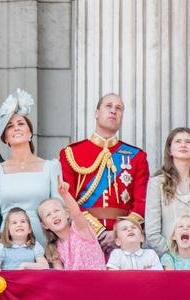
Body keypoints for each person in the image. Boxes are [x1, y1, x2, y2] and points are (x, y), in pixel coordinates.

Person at [59, 93, 149, 254]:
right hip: (84, 236)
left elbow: (141, 202)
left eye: (119, 108)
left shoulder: (137, 156)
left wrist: (118, 233)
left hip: (124, 241)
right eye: (108, 106)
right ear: (96, 113)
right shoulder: (71, 153)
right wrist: (98, 231)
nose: (114, 111)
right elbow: (69, 198)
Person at [0, 88, 61, 247]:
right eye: (10, 126)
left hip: (44, 244)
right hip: (8, 244)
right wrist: (2, 246)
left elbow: (59, 208)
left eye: (21, 123)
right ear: (6, 137)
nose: (16, 128)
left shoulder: (51, 167)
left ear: (30, 133)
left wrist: (54, 248)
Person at [145, 128, 190, 256]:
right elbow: (151, 232)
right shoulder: (156, 184)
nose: (183, 145)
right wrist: (173, 256)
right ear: (170, 150)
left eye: (188, 142)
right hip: (166, 260)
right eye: (178, 141)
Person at [37, 176, 106, 270]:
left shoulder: (79, 229)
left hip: (98, 281)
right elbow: (60, 276)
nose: (54, 215)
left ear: (67, 214)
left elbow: (76, 213)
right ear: (45, 225)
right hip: (75, 284)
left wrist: (65, 194)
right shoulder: (54, 248)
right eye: (48, 215)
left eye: (56, 211)